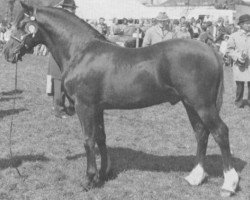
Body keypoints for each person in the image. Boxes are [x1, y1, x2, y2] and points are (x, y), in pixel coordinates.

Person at [47, 0, 77, 118]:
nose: (73, 11)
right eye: (71, 8)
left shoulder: (71, 22)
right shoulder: (59, 22)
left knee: (66, 83)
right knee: (58, 83)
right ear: (64, 8)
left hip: (68, 57)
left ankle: (66, 106)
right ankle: (58, 109)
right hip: (58, 56)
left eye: (73, 8)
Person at [227, 14, 250, 108]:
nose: (249, 25)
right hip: (239, 64)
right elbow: (229, 50)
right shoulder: (234, 36)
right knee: (240, 85)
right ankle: (238, 102)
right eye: (247, 23)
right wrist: (237, 56)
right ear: (241, 25)